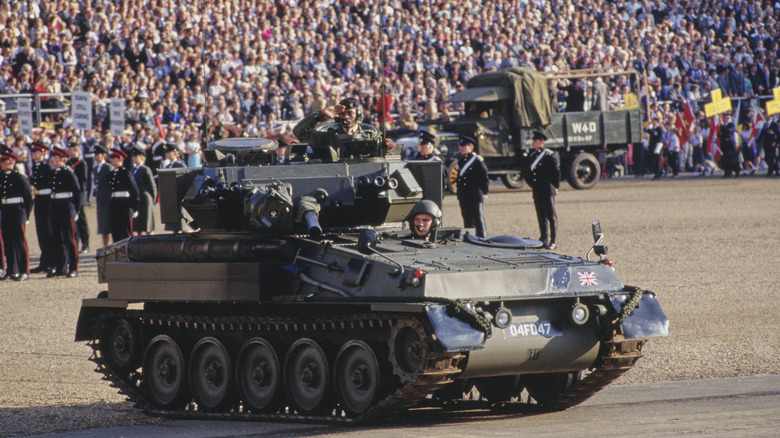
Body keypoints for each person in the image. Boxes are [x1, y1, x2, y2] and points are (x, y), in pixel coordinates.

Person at [292, 97, 398, 160]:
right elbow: (298, 131)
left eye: (350, 113)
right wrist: (320, 114)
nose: (346, 117)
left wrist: (385, 144)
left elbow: (380, 151)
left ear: (358, 115)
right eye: (342, 114)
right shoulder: (328, 136)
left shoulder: (370, 136)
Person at [522, 131, 560, 250]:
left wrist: (555, 186)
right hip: (537, 189)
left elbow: (556, 171)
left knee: (551, 216)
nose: (533, 143)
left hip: (547, 189)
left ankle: (553, 240)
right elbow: (527, 172)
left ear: (541, 142)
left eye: (535, 141)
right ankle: (543, 239)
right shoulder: (532, 155)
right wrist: (532, 184)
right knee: (541, 216)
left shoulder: (548, 155)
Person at [0, 150, 33, 281]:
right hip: (6, 210)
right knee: (8, 242)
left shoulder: (19, 177)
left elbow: (28, 198)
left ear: (11, 162)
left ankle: (24, 270)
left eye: (4, 161)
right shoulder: (1, 176)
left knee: (20, 242)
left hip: (18, 211)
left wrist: (26, 214)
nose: (1, 164)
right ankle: (11, 270)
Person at [49, 147, 81, 278]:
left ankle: (74, 267)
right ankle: (61, 267)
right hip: (56, 206)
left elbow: (77, 192)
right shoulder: (53, 173)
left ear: (62, 159)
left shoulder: (68, 173)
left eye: (55, 158)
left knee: (70, 239)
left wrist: (76, 210)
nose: (52, 160)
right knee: (57, 239)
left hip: (67, 207)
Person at [29, 141, 56, 273]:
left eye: (36, 152)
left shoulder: (47, 168)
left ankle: (52, 262)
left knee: (49, 233)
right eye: (33, 152)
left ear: (43, 153)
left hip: (47, 201)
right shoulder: (35, 167)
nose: (33, 154)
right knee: (41, 232)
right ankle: (44, 262)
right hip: (39, 199)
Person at [455, 135, 489, 238]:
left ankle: (482, 238)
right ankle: (469, 238)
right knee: (467, 219)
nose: (461, 148)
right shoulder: (460, 159)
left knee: (478, 219)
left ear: (471, 147)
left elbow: (484, 178)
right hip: (464, 195)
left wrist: (484, 192)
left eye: (464, 146)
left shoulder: (477, 160)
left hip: (475, 195)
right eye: (460, 146)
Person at [107, 149, 140, 242]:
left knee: (126, 233)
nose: (111, 160)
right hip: (114, 205)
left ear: (120, 159)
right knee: (115, 232)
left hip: (124, 206)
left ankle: (128, 255)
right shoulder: (111, 174)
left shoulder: (126, 173)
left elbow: (134, 192)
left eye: (113, 158)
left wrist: (135, 208)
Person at [67, 139, 90, 254]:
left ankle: (85, 244)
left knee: (82, 221)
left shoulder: (81, 164)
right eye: (70, 150)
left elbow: (83, 181)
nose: (72, 152)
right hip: (69, 196)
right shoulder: (67, 164)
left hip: (78, 195)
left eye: (74, 150)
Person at [130, 147, 156, 236]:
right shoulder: (132, 170)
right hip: (137, 201)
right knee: (138, 227)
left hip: (145, 200)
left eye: (136, 156)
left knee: (147, 226)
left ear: (142, 157)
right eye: (133, 156)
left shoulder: (145, 169)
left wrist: (153, 199)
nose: (133, 158)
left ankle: (151, 246)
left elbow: (152, 186)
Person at [92, 144, 112, 246]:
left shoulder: (108, 167)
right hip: (100, 200)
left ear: (104, 155)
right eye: (95, 154)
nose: (95, 156)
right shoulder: (96, 169)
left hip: (108, 199)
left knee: (110, 225)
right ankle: (106, 247)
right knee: (103, 226)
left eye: (98, 154)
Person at [718, 113, 740, 178]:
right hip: (724, 144)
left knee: (730, 159)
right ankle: (726, 173)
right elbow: (719, 134)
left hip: (730, 144)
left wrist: (722, 126)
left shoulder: (731, 124)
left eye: (726, 117)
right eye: (724, 118)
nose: (725, 119)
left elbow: (729, 130)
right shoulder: (723, 125)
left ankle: (735, 170)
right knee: (725, 160)